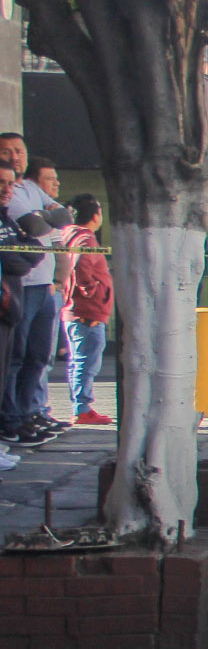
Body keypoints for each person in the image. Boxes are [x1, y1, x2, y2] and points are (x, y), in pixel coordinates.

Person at [0, 156, 68, 444]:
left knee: (39, 357)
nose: (8, 189)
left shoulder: (24, 193)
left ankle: (30, 414)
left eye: (10, 183)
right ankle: (10, 420)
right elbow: (25, 248)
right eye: (2, 183)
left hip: (43, 287)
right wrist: (42, 220)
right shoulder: (18, 203)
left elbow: (40, 242)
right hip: (18, 292)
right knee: (14, 359)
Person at [62, 195, 111, 426]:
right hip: (87, 311)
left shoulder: (68, 234)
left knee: (78, 360)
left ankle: (80, 406)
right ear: (95, 215)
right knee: (86, 362)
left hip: (74, 309)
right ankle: (81, 408)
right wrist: (91, 292)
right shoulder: (86, 239)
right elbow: (83, 267)